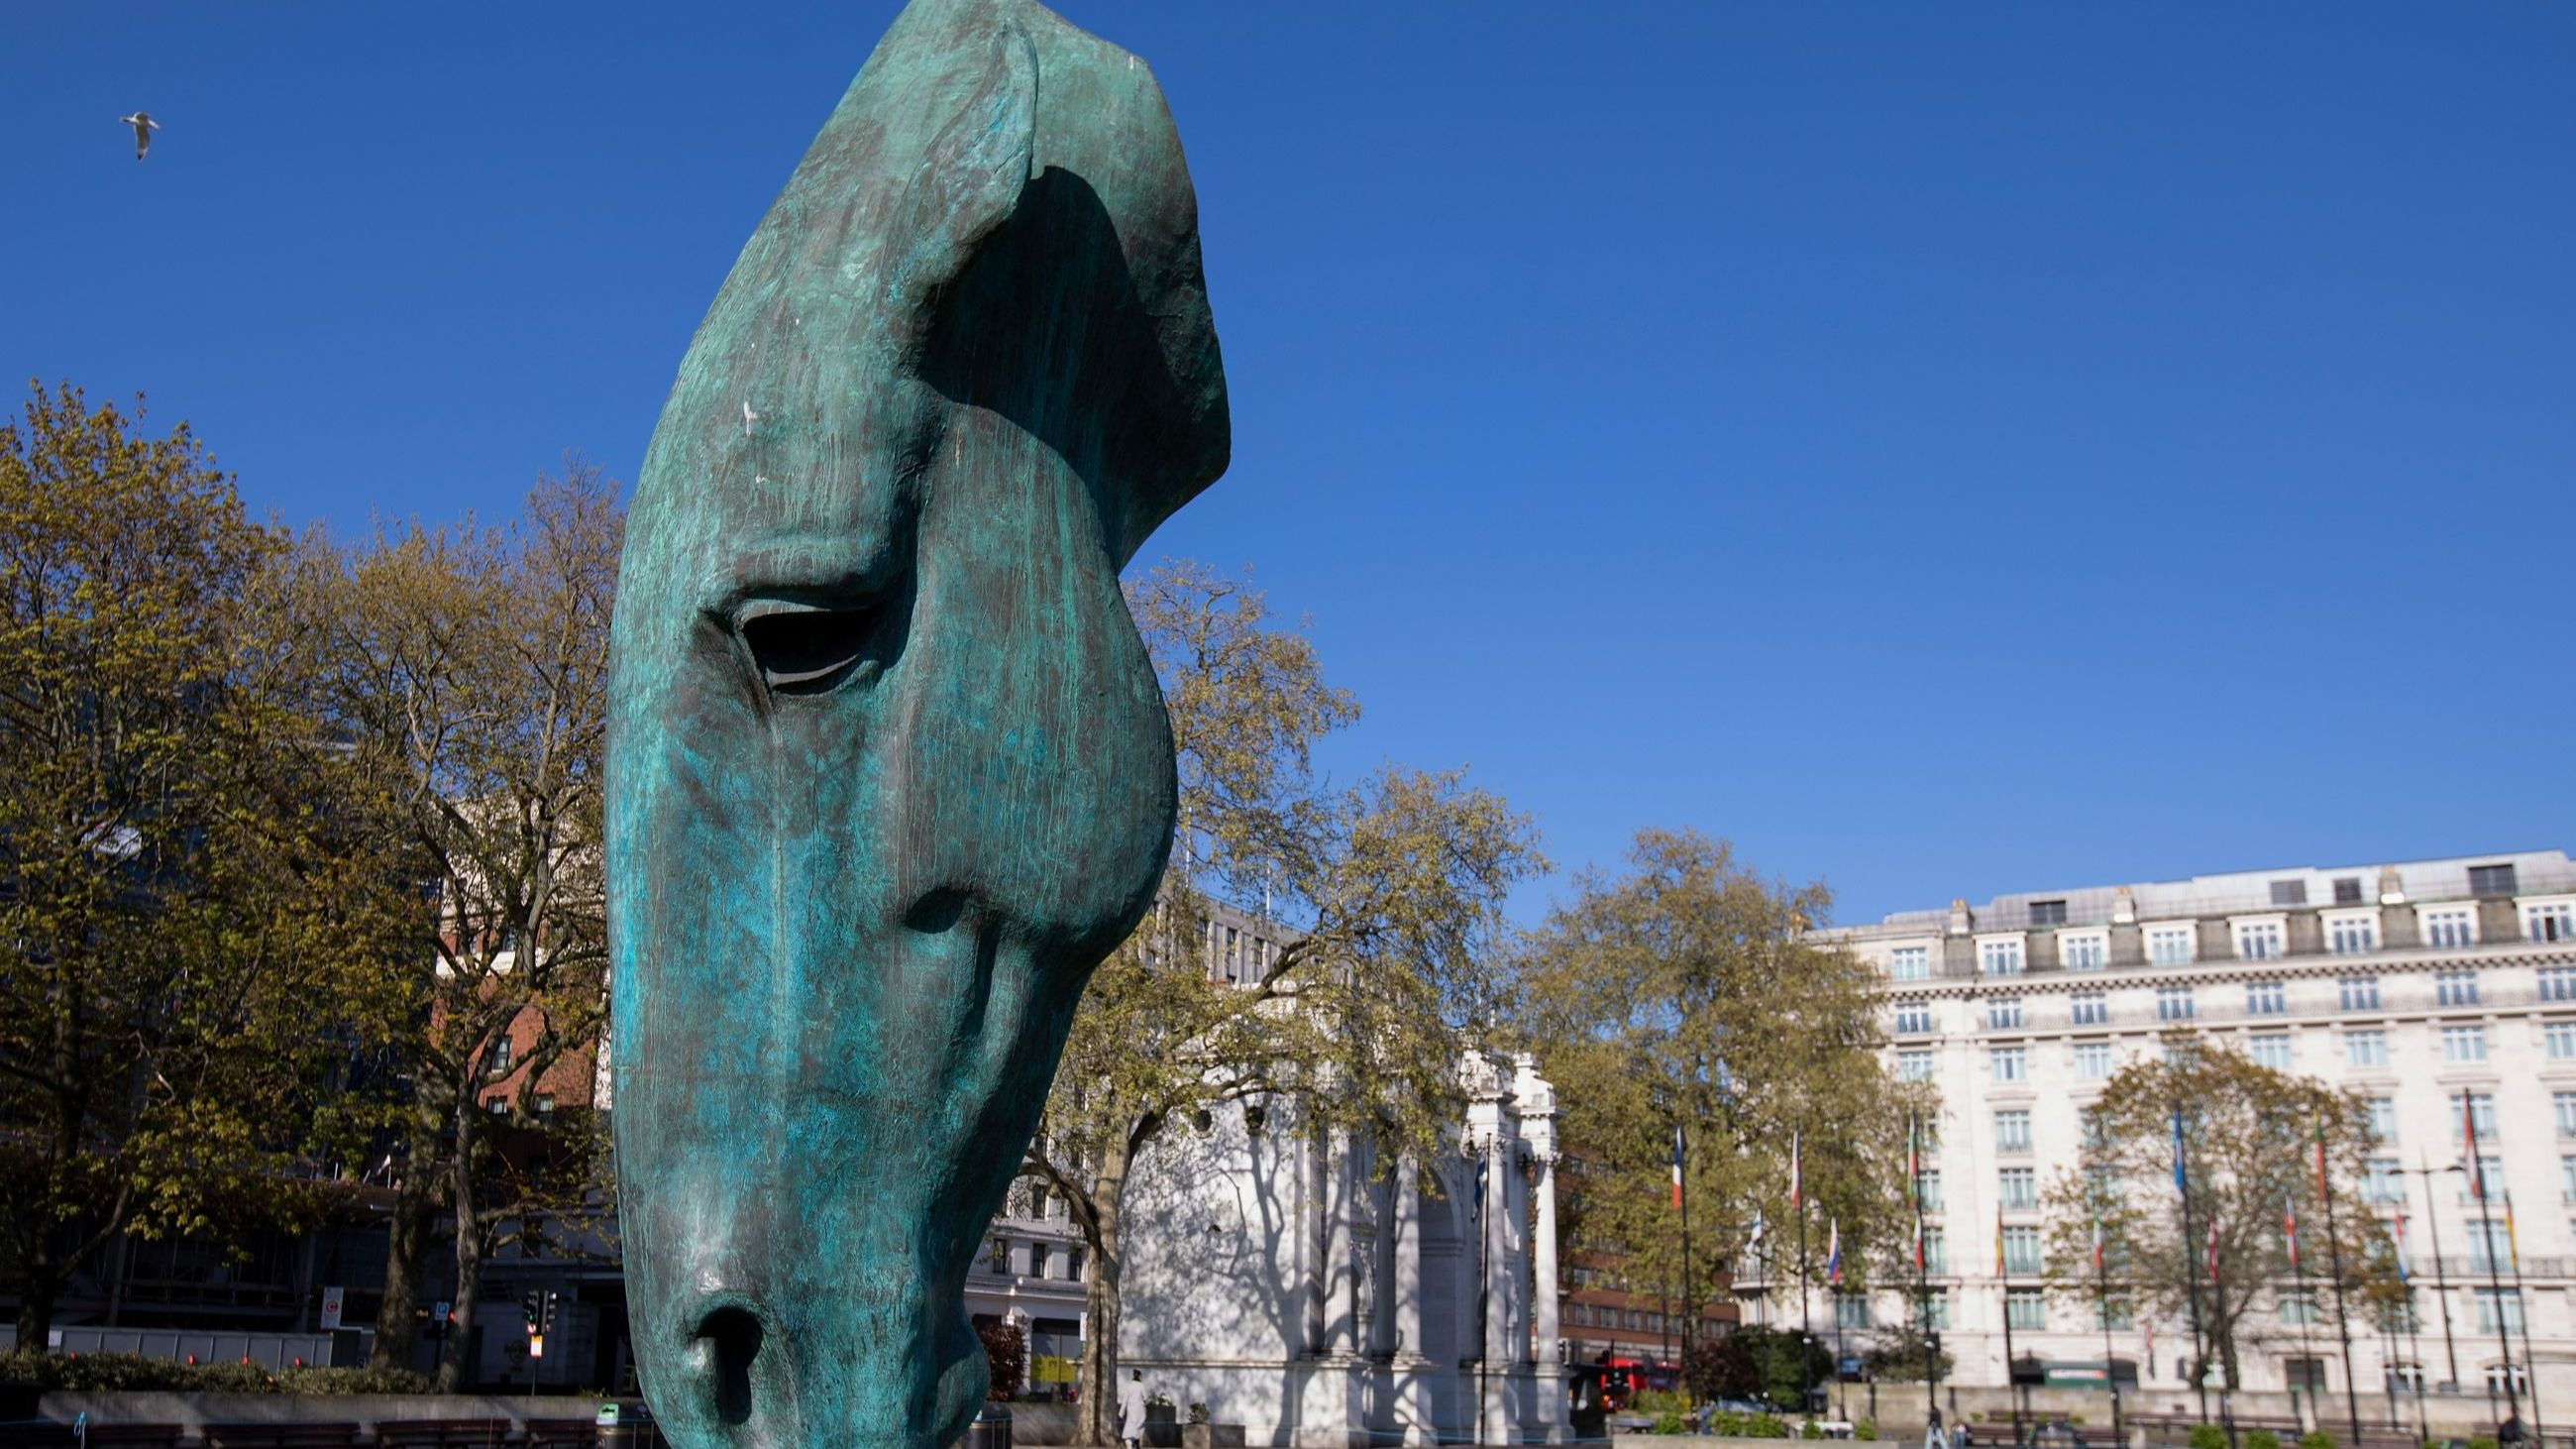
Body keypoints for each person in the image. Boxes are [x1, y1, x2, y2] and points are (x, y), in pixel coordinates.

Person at [1119, 1368, 1151, 1449]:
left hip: (1131, 1409)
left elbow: (1125, 1401)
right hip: (1140, 1409)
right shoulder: (1141, 1386)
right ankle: (1132, 1442)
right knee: (1139, 1428)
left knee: (1131, 1427)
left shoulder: (1129, 1386)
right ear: (1139, 1376)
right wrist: (1148, 1401)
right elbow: (1146, 1398)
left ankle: (1132, 1442)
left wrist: (1121, 1413)